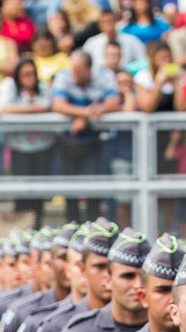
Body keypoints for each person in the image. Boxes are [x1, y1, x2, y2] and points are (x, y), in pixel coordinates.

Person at [51, 51, 120, 223]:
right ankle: (72, 228)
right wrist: (85, 113)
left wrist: (84, 118)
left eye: (79, 70)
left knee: (94, 189)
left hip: (95, 140)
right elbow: (58, 105)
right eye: (73, 69)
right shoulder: (63, 76)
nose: (74, 74)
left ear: (89, 69)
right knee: (70, 190)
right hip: (69, 140)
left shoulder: (104, 75)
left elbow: (113, 102)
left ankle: (93, 229)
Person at [0, 58, 56, 227]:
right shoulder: (10, 87)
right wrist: (33, 109)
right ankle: (23, 230)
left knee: (39, 191)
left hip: (43, 146)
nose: (30, 78)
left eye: (32, 74)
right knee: (21, 192)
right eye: (25, 74)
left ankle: (37, 229)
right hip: (19, 147)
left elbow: (46, 105)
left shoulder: (43, 87)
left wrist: (21, 110)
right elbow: (3, 108)